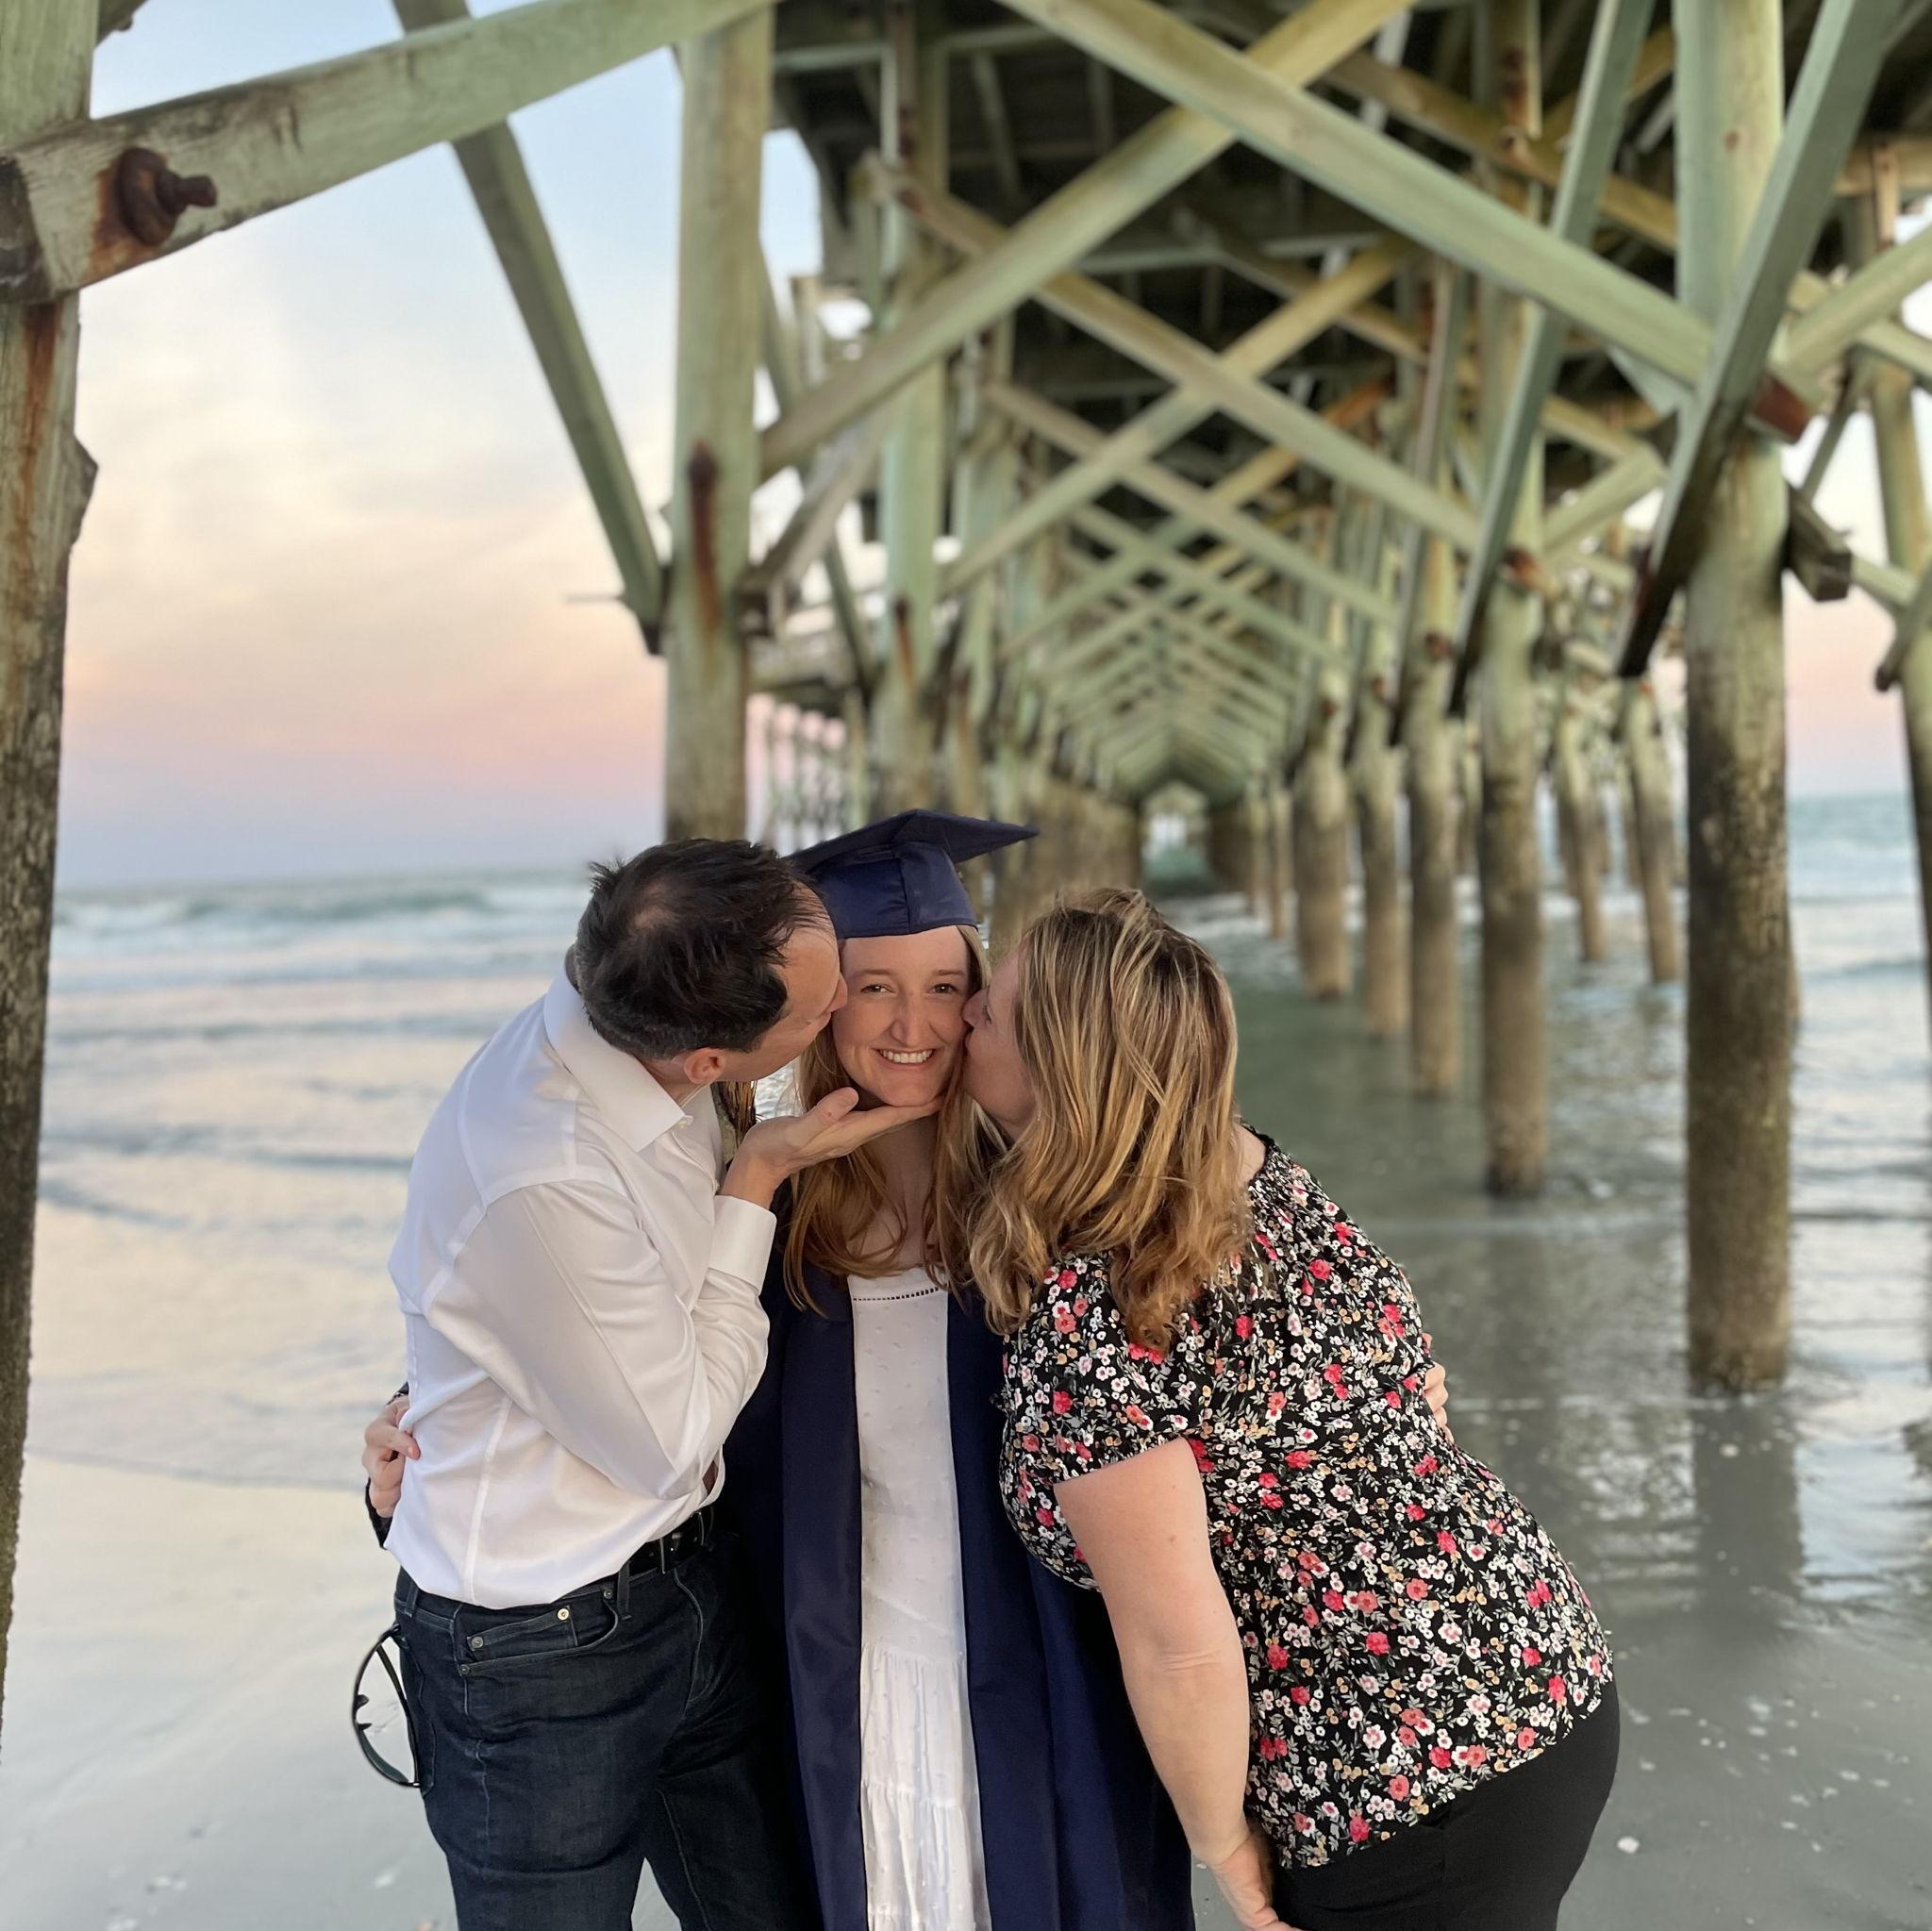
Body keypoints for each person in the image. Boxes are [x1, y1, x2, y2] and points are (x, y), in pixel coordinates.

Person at [967, 890, 1618, 1931]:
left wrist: (1222, 1846)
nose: (959, 1020)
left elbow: (1178, 1646)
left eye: (984, 1012)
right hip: (1544, 1673)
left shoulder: (1094, 1314)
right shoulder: (1245, 1167)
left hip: (1400, 1784)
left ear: (1060, 1064)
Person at [371, 838, 936, 1931]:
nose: (835, 1024)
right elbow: (669, 1437)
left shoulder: (640, 998)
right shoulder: (544, 1167)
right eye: (815, 1018)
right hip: (539, 1649)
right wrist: (756, 1181)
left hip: (690, 1584)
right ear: (706, 1065)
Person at [723, 810, 1194, 1931]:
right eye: (872, 986)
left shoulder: (1057, 1214)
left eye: (945, 988)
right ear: (818, 1004)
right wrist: (419, 1431)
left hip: (1048, 1686)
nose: (912, 1025)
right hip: (847, 1693)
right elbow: (608, 1360)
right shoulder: (753, 1221)